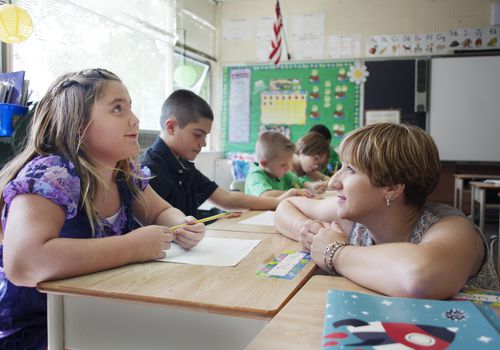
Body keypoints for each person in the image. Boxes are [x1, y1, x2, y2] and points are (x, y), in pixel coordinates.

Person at [0, 69, 205, 349]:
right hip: (38, 330)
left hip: (93, 315)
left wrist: (181, 224)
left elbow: (160, 212)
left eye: (130, 107)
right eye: (117, 108)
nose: (134, 119)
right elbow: (23, 263)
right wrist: (133, 247)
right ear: (79, 125)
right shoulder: (53, 175)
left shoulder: (123, 174)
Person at [275, 123, 499, 299]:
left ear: (392, 187)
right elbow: (287, 205)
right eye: (339, 167)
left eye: (350, 169)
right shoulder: (358, 216)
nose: (334, 182)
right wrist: (306, 230)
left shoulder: (454, 228)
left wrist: (334, 252)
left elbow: (418, 278)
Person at [141, 89, 298, 218]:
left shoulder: (183, 166)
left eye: (205, 136)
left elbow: (225, 198)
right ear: (171, 127)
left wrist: (277, 201)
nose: (203, 143)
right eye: (197, 134)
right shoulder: (149, 172)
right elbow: (159, 226)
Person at [245, 131, 314, 197]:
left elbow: (299, 182)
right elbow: (265, 195)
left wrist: (312, 186)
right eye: (283, 165)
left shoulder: (281, 172)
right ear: (264, 164)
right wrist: (295, 192)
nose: (289, 168)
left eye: (289, 163)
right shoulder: (255, 176)